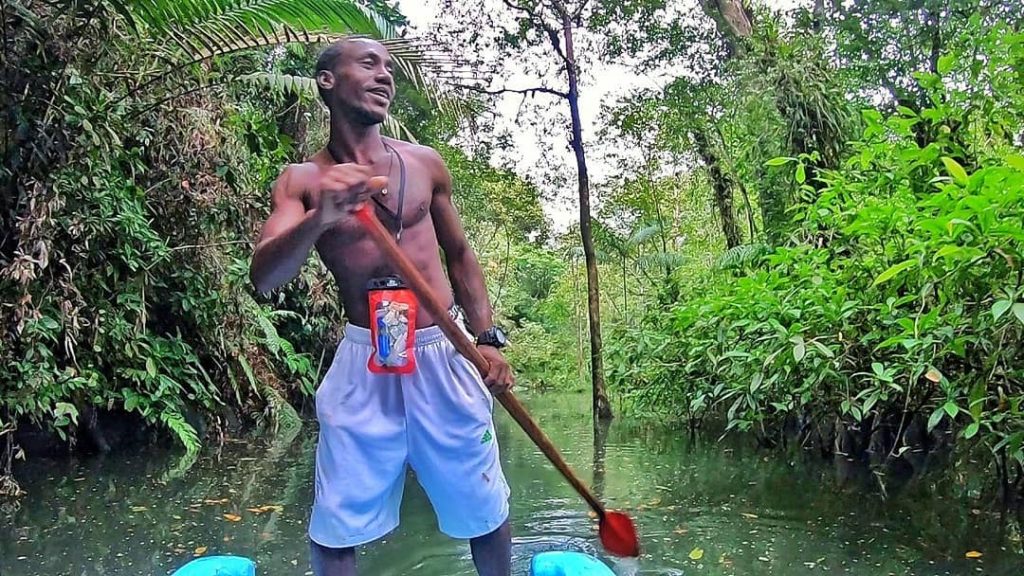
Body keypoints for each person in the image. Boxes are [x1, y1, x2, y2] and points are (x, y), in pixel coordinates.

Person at [248, 37, 514, 576]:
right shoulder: (300, 182)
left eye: (389, 68)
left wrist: (487, 340)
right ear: (327, 80)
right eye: (368, 64)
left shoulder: (423, 164)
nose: (384, 76)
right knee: (336, 519)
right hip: (365, 356)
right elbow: (265, 277)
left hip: (446, 347)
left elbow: (460, 255)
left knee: (482, 503)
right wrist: (321, 216)